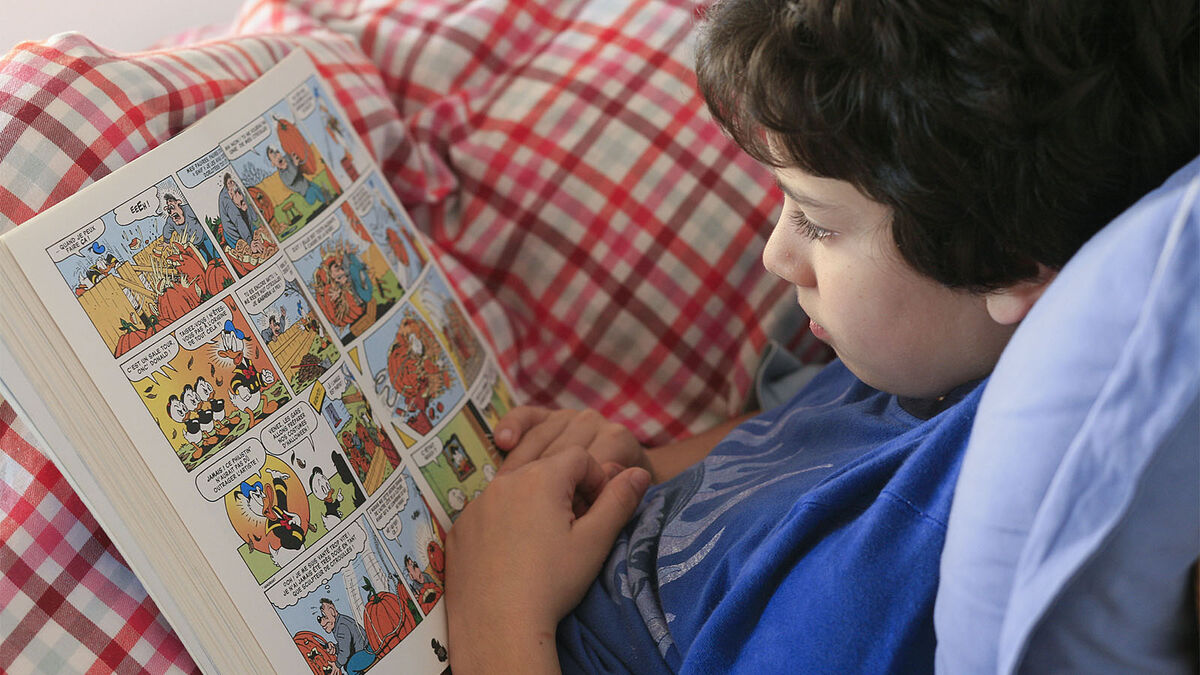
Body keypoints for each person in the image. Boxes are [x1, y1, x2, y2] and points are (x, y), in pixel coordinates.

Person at [443, 0, 1198, 673]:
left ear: (1007, 261)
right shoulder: (915, 356)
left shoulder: (883, 580)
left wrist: (495, 616)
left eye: (818, 222)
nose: (777, 255)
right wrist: (627, 471)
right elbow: (791, 454)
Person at [316, 598, 375, 675]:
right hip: (360, 652)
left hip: (366, 652)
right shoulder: (338, 624)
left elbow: (345, 651)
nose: (322, 622)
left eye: (324, 616)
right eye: (320, 618)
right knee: (347, 666)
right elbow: (346, 644)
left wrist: (337, 664)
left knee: (350, 668)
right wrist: (335, 648)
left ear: (332, 611)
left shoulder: (341, 626)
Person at [161, 193, 218, 263]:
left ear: (178, 203)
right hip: (194, 245)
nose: (172, 212)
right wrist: (166, 241)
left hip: (203, 236)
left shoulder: (188, 209)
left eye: (172, 207)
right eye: (169, 210)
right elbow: (167, 229)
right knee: (204, 260)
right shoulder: (170, 220)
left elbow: (201, 213)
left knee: (214, 253)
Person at [217, 172, 262, 252]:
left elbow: (246, 205)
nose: (233, 184)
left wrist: (256, 220)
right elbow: (238, 220)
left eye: (232, 182)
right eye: (230, 183)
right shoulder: (226, 200)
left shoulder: (235, 187)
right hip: (234, 235)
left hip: (246, 226)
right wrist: (249, 241)